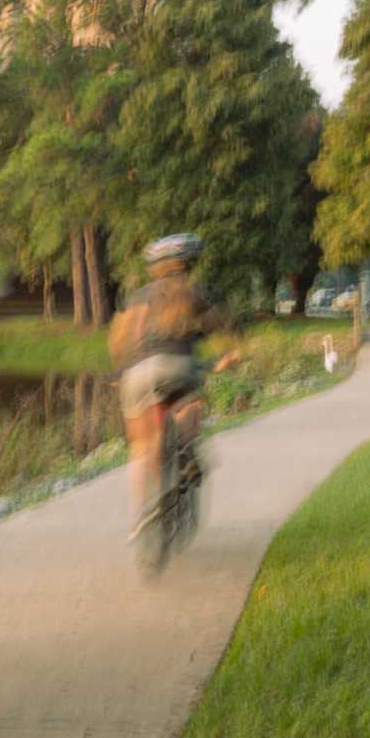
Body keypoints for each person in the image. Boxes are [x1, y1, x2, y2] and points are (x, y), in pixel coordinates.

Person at [108, 233, 231, 544]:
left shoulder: (136, 298)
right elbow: (223, 332)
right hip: (178, 366)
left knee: (140, 447)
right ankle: (187, 448)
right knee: (191, 400)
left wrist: (118, 373)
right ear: (188, 265)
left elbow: (120, 344)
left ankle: (140, 514)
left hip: (135, 374)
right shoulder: (194, 293)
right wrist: (227, 357)